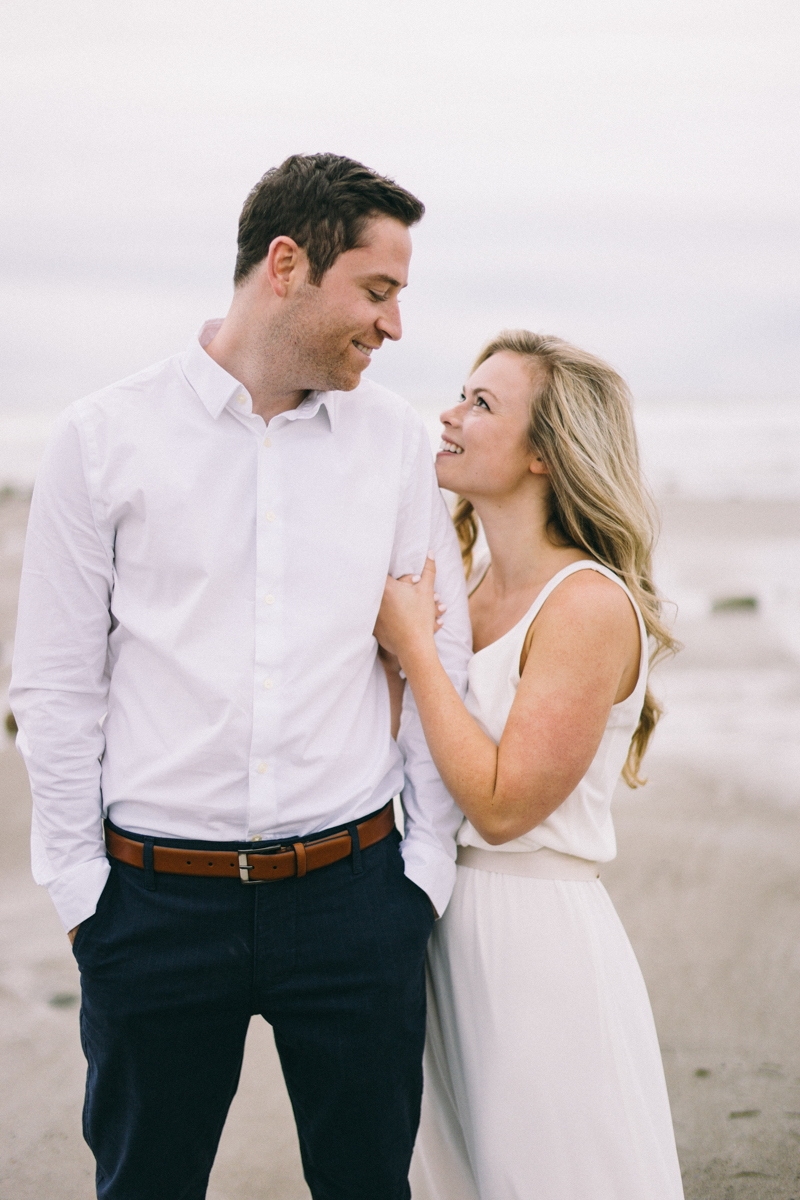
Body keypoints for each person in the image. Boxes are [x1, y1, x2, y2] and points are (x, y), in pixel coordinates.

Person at [10, 153, 472, 1200]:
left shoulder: (395, 444)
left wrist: (421, 876)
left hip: (356, 900)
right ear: (285, 264)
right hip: (153, 910)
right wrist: (85, 897)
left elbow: (432, 657)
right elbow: (54, 684)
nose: (393, 326)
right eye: (377, 289)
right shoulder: (100, 439)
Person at [375, 330, 685, 1199]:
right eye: (460, 394)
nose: (450, 413)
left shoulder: (584, 604)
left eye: (482, 404)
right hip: (437, 921)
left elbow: (506, 804)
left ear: (546, 453)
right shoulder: (464, 592)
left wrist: (416, 653)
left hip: (536, 942)